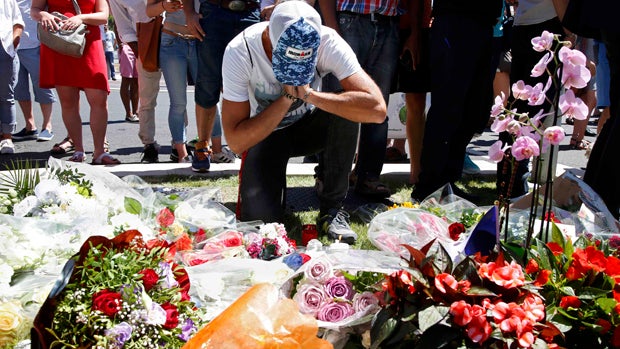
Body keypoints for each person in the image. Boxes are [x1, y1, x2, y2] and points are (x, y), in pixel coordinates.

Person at [223, 0, 386, 243]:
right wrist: (287, 99)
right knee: (260, 224)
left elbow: (377, 110)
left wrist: (310, 95)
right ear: (268, 35)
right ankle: (273, 192)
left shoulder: (328, 41)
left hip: (310, 127)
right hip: (264, 133)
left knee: (348, 109)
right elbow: (235, 141)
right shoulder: (240, 50)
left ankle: (332, 208)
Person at [410, 0, 501, 202]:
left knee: (475, 109)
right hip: (454, 23)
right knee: (448, 106)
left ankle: (448, 180)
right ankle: (430, 185)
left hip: (485, 24)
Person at [319, 0, 400, 200]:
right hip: (348, 21)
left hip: (388, 22)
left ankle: (368, 177)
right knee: (338, 103)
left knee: (378, 107)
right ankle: (328, 177)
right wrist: (332, 27)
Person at [32, 0, 120, 164]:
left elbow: (103, 16)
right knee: (68, 102)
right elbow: (35, 10)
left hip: (89, 40)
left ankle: (99, 152)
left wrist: (81, 18)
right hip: (59, 44)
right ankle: (78, 150)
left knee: (99, 99)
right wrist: (43, 14)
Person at [495, 0, 565, 199]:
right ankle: (514, 187)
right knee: (533, 111)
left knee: (519, 108)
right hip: (548, 25)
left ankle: (507, 184)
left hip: (523, 25)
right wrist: (568, 30)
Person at [182, 0, 260, 172]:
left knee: (252, 83)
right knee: (208, 81)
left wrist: (276, 5)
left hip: (250, 12)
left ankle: (252, 147)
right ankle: (202, 147)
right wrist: (189, 13)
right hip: (213, 13)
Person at [108, 0, 162, 162]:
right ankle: (149, 144)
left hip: (175, 36)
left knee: (178, 96)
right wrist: (140, 52)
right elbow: (124, 27)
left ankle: (179, 143)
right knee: (147, 98)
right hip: (144, 41)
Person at [145, 0, 195, 163]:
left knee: (208, 100)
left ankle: (209, 149)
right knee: (178, 103)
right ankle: (182, 153)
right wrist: (164, 6)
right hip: (172, 39)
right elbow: (150, 11)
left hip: (201, 39)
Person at [392, 0, 430, 184]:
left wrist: (415, 32)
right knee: (374, 94)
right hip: (384, 20)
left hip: (418, 26)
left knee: (416, 99)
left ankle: (416, 172)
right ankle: (361, 170)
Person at [12, 0, 57, 143]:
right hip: (13, 46)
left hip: (37, 44)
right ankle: (30, 126)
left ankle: (47, 126)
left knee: (43, 86)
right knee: (19, 89)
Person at [0, 0, 24, 155]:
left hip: (4, 48)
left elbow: (18, 23)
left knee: (5, 96)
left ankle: (7, 137)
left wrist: (13, 43)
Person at [117, 40, 139, 122]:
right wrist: (120, 44)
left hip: (138, 45)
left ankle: (135, 112)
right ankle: (128, 113)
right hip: (126, 45)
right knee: (126, 79)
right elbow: (116, 27)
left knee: (136, 81)